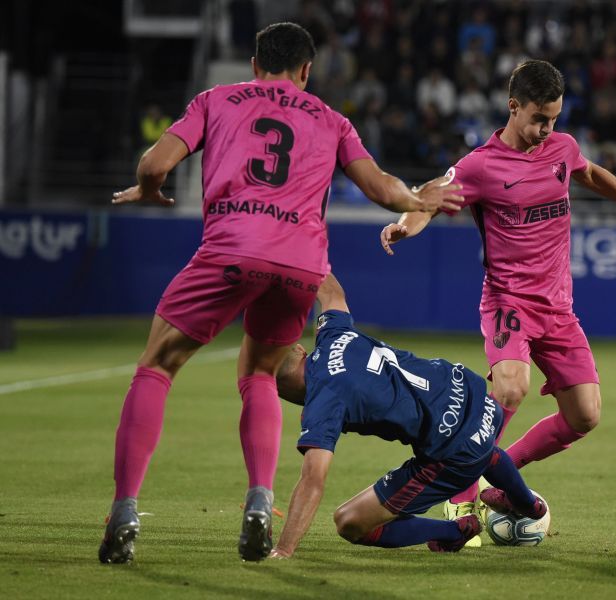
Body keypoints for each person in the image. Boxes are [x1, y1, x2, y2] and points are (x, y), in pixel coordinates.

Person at [98, 23, 463, 565]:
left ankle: (124, 510)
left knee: (157, 366)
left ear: (255, 64)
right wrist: (421, 199)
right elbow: (381, 188)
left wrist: (150, 189)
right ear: (307, 70)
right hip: (300, 265)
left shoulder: (215, 100)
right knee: (260, 375)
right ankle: (259, 502)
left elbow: (153, 164)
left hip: (232, 246)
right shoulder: (332, 119)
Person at [380, 60, 616, 545]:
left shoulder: (562, 148)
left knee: (585, 415)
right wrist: (405, 225)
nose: (547, 129)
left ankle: (502, 475)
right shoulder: (481, 165)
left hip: (558, 308)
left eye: (555, 118)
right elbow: (431, 199)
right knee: (510, 388)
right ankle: (459, 491)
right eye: (539, 118)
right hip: (508, 302)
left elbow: (591, 174)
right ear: (513, 106)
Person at [270, 274, 545, 556]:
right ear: (300, 349)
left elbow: (313, 479)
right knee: (477, 444)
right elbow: (330, 291)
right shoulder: (333, 333)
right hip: (477, 398)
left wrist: (283, 548)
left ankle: (454, 531)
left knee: (350, 522)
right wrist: (296, 254)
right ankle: (528, 504)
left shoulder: (323, 401)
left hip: (454, 450)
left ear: (273, 388)